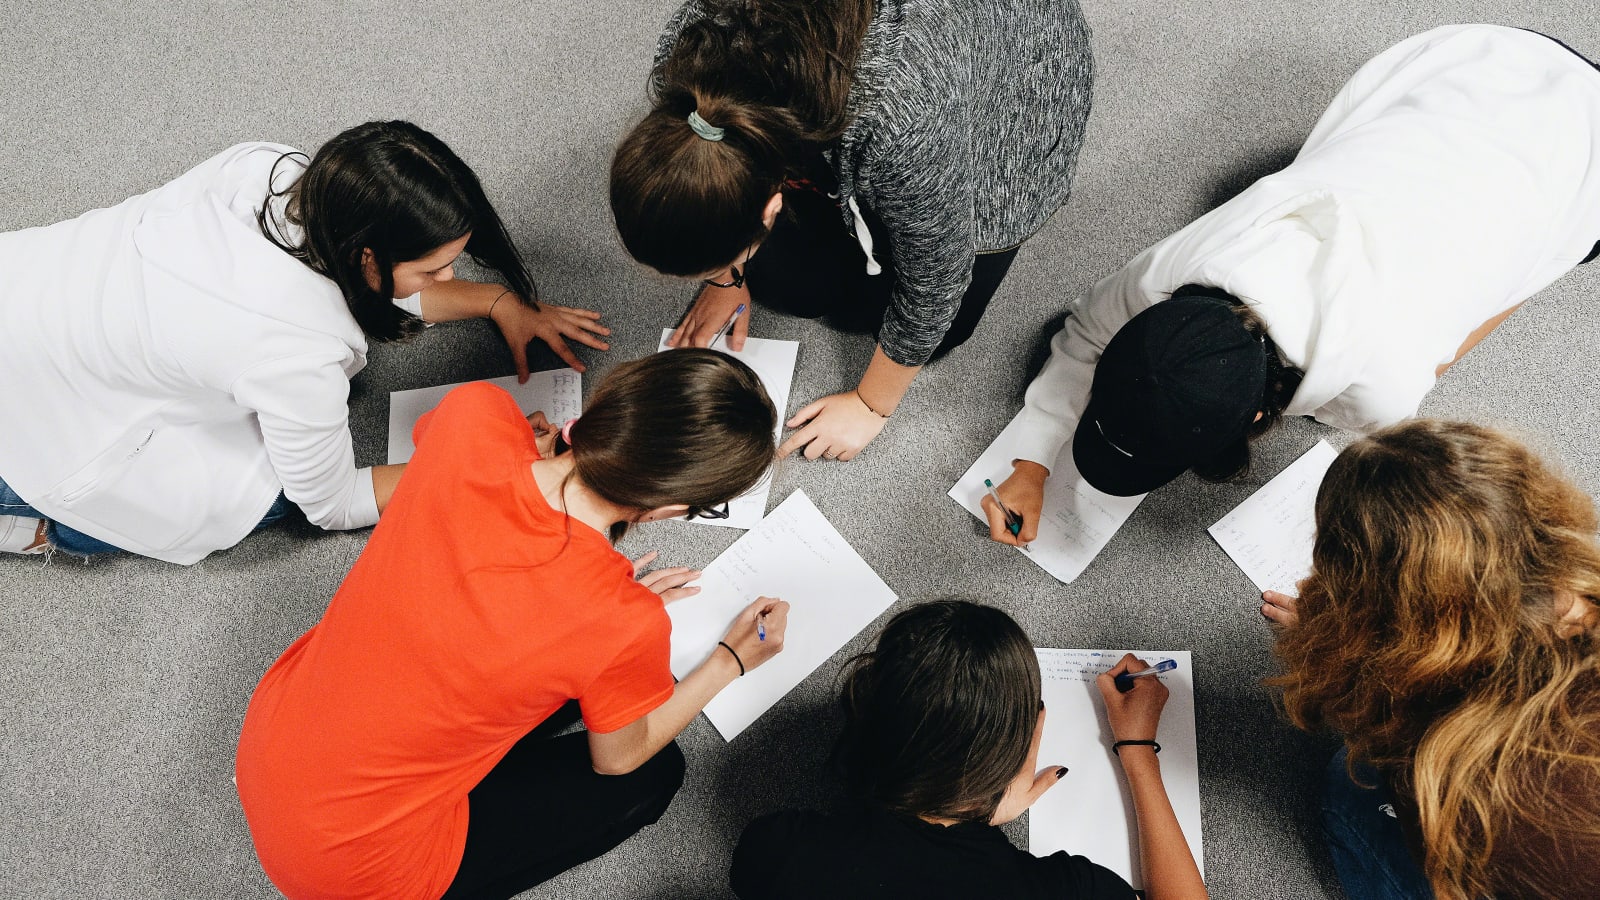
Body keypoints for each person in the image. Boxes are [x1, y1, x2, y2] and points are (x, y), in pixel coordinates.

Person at [985, 24, 1600, 544]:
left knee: (1538, 261)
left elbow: (1475, 325)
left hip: (1576, 147)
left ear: (1258, 414)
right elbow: (1090, 328)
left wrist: (1526, 275)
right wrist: (1034, 455)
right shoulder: (1183, 266)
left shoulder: (1381, 393)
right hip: (1468, 62)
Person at [236, 350, 791, 900]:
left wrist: (534, 456)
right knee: (655, 774)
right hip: (354, 870)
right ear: (671, 508)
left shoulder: (475, 412)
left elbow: (455, 461)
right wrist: (729, 661)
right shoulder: (621, 622)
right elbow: (617, 758)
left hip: (272, 739)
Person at [0, 120, 609, 564]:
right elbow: (330, 503)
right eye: (434, 271)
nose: (451, 281)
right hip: (40, 401)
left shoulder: (274, 168)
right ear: (367, 260)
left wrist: (497, 301)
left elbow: (378, 286)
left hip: (32, 283)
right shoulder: (294, 354)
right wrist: (488, 465)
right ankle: (42, 528)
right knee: (246, 499)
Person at [611, 0, 1094, 462]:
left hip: (1009, 74)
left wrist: (871, 405)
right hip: (878, 111)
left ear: (771, 205)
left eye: (721, 263)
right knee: (794, 287)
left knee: (924, 326)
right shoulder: (683, 67)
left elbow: (937, 281)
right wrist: (726, 278)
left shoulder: (898, 122)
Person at [1260, 419, 1600, 900]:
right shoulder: (1582, 591)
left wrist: (1341, 654)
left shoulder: (1456, 772)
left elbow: (1389, 728)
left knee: (1349, 784)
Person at [730, 600, 1207, 900]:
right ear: (1020, 750)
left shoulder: (775, 851)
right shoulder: (1077, 891)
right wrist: (1138, 750)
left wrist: (969, 814)